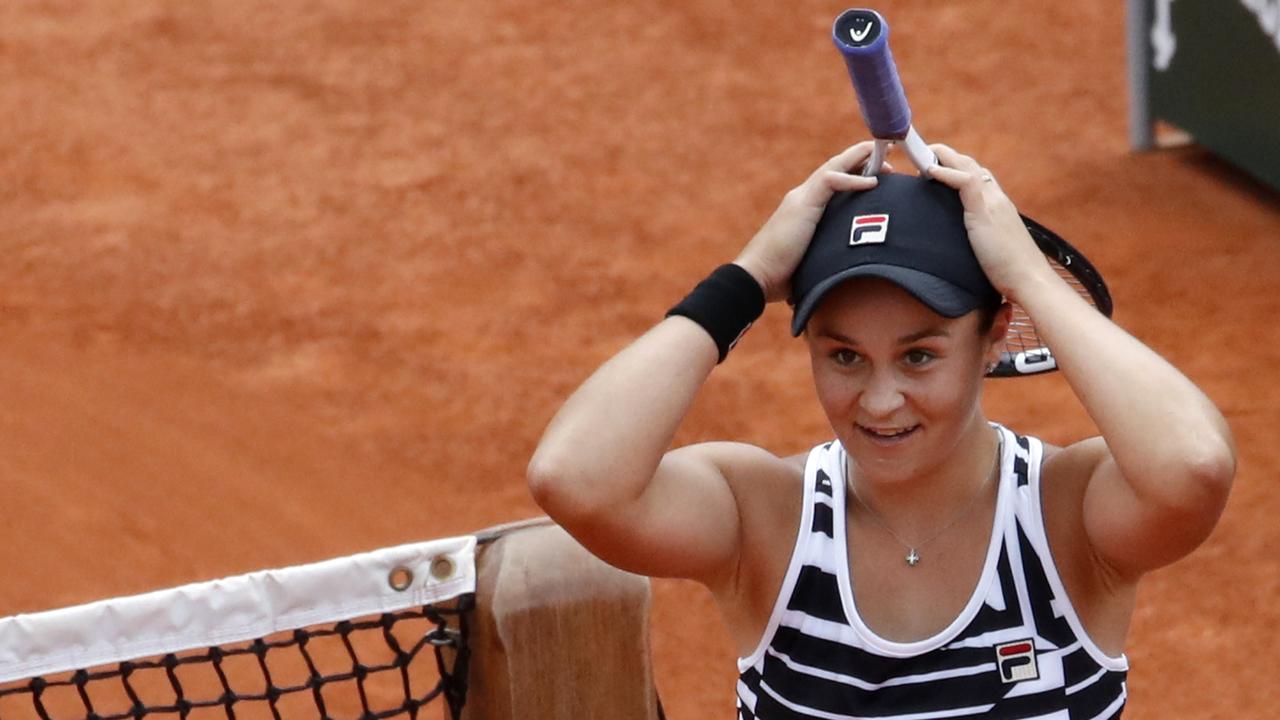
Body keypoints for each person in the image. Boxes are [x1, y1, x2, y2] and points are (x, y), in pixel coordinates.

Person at [526, 141, 1235, 718]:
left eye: (919, 356)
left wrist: (1030, 279)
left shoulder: (1065, 519)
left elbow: (1194, 465)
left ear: (993, 338)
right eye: (844, 356)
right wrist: (747, 277)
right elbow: (575, 480)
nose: (881, 400)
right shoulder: (766, 519)